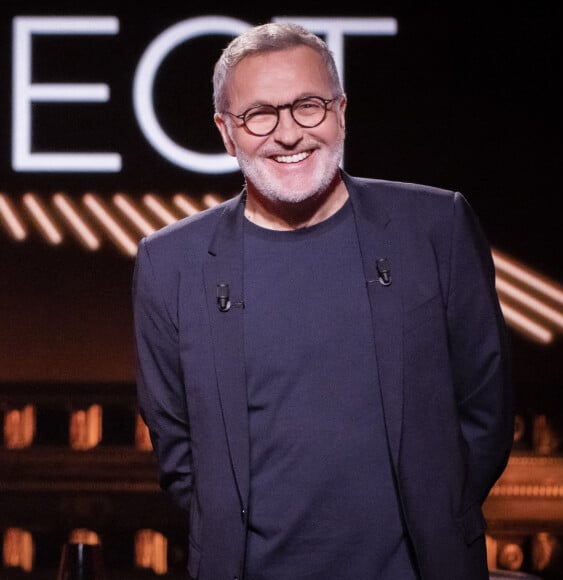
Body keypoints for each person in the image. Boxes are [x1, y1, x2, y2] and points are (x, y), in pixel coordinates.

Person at [132, 21, 513, 580]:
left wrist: (436, 514)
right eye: (259, 114)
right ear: (226, 132)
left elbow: (486, 412)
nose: (288, 134)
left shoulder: (435, 227)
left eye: (308, 106)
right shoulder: (172, 263)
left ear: (340, 112)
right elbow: (178, 449)